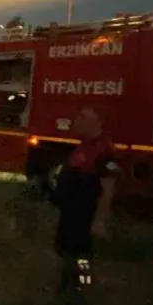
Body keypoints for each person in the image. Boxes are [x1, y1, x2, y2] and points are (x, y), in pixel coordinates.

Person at [53, 106, 119, 292]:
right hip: (70, 215)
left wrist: (99, 221)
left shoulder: (104, 152)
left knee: (82, 256)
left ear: (92, 123)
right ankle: (67, 287)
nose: (75, 123)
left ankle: (84, 287)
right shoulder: (82, 147)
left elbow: (108, 190)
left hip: (84, 217)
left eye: (80, 119)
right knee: (66, 252)